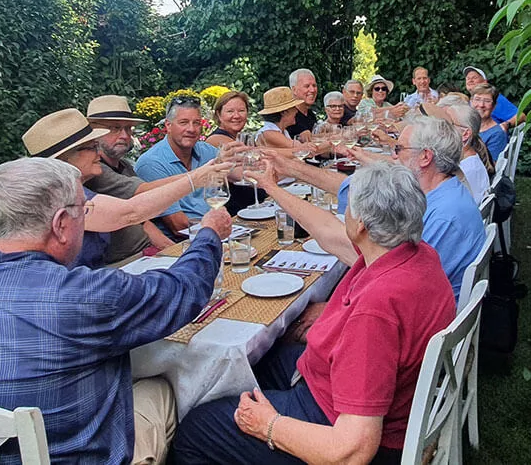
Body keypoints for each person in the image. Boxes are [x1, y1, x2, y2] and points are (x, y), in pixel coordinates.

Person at [0, 157, 235, 465]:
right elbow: (181, 292)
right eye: (83, 211)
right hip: (70, 454)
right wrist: (207, 235)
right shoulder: (85, 296)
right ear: (62, 224)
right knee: (164, 383)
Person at [172, 162, 456, 465]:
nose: (343, 213)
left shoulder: (377, 309)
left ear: (361, 225)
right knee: (259, 359)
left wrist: (268, 425)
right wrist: (272, 187)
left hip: (338, 424)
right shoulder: (413, 254)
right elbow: (327, 231)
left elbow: (352, 451)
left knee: (195, 430)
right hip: (344, 387)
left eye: (348, 207)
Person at [264, 115, 485, 299]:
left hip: (414, 324)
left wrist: (332, 309)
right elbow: (346, 186)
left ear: (425, 157)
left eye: (398, 148)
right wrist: (291, 168)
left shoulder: (443, 215)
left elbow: (374, 263)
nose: (392, 155)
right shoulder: (439, 192)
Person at [23, 108, 223, 267]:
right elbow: (130, 213)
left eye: (128, 129)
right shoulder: (58, 197)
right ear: (65, 159)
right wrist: (196, 178)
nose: (98, 153)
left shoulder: (76, 187)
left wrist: (175, 251)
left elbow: (139, 218)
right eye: (92, 147)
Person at [85, 96, 208, 258]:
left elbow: (143, 221)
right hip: (122, 262)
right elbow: (143, 193)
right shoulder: (96, 171)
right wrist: (199, 176)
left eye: (128, 129)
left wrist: (173, 252)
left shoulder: (125, 166)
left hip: (146, 253)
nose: (124, 135)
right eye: (115, 128)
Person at [135, 97, 222, 220]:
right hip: (184, 237)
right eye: (184, 122)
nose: (191, 129)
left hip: (216, 227)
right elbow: (178, 225)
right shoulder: (151, 164)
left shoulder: (207, 151)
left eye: (196, 123)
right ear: (168, 126)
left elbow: (238, 175)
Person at [425, 103, 490, 202]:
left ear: (465, 134)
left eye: (447, 124)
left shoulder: (465, 169)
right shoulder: (468, 160)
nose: (440, 129)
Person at [463, 66, 522, 132]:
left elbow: (521, 116)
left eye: (474, 77)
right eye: (468, 78)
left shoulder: (495, 98)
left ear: (485, 81)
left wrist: (506, 125)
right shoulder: (467, 101)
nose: (470, 80)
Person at [470, 83, 509, 160]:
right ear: (471, 102)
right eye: (477, 99)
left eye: (487, 101)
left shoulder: (497, 134)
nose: (481, 105)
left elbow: (492, 167)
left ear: (494, 106)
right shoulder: (464, 126)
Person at [288, 69, 319, 140]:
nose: (312, 90)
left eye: (314, 85)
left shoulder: (310, 114)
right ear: (294, 90)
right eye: (307, 86)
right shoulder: (288, 117)